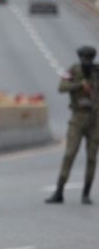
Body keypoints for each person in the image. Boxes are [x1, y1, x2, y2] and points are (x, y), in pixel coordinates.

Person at [46, 45, 99, 205]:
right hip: (78, 117)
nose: (86, 61)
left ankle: (86, 193)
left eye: (89, 58)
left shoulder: (97, 72)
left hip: (95, 119)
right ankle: (59, 191)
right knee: (70, 153)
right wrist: (79, 85)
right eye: (84, 58)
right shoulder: (74, 70)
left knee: (92, 157)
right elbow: (62, 87)